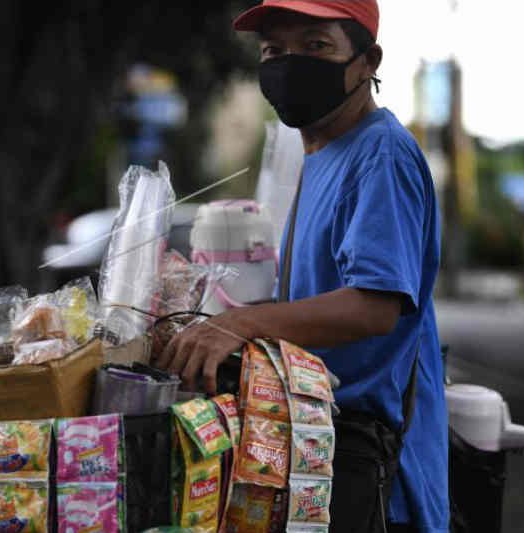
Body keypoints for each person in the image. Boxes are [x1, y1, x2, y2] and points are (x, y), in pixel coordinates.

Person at [155, 1, 448, 532]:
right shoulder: (324, 154)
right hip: (319, 454)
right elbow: (307, 308)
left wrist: (240, 324)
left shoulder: (380, 153)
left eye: (315, 46)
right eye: (275, 51)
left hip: (375, 475)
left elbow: (375, 306)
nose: (291, 63)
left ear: (367, 60)